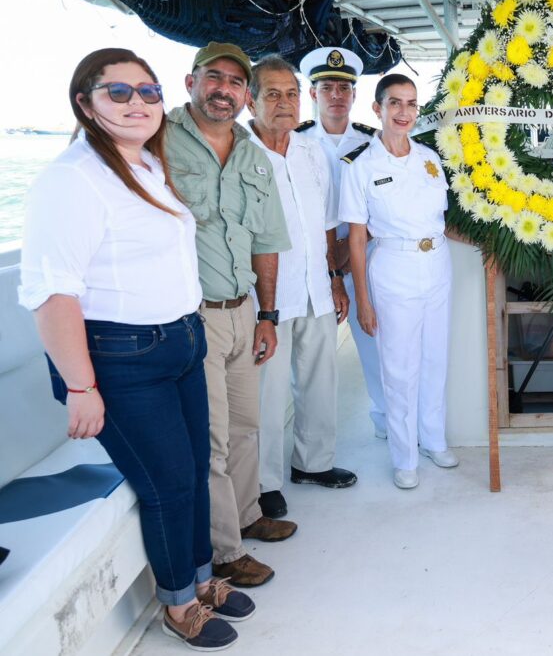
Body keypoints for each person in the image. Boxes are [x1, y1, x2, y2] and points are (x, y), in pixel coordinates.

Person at [19, 48, 253, 650]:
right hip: (123, 361)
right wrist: (80, 386)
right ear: (85, 103)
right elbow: (52, 294)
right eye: (117, 93)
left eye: (147, 93)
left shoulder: (147, 164)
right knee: (168, 483)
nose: (137, 104)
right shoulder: (72, 179)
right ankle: (179, 604)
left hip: (179, 341)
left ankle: (202, 578)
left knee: (196, 467)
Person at [165, 42, 296, 587]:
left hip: (243, 310)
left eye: (234, 83)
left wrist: (267, 313)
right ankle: (223, 550)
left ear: (246, 95)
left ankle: (247, 516)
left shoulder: (251, 153)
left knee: (247, 427)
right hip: (193, 316)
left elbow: (266, 240)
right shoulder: (159, 139)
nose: (223, 89)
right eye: (213, 78)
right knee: (215, 436)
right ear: (191, 80)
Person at [246, 55, 357, 520]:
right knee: (268, 394)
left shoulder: (310, 151)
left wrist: (335, 279)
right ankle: (264, 482)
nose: (284, 103)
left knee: (319, 378)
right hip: (263, 297)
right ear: (250, 100)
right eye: (272, 94)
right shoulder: (239, 151)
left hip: (314, 284)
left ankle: (313, 463)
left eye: (291, 93)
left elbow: (328, 223)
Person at [338, 74, 459, 490]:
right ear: (377, 109)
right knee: (399, 366)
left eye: (410, 103)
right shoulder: (361, 166)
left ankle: (433, 439)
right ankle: (404, 456)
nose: (403, 112)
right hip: (392, 265)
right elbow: (356, 239)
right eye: (394, 103)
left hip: (437, 263)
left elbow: (441, 219)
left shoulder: (428, 158)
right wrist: (363, 302)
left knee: (435, 358)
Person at [296, 46, 388, 441]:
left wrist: (352, 255)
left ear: (354, 96)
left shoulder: (373, 142)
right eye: (327, 86)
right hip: (310, 263)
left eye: (344, 88)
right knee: (308, 357)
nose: (336, 94)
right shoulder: (294, 141)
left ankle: (387, 419)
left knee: (375, 344)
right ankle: (311, 442)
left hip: (361, 259)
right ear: (313, 94)